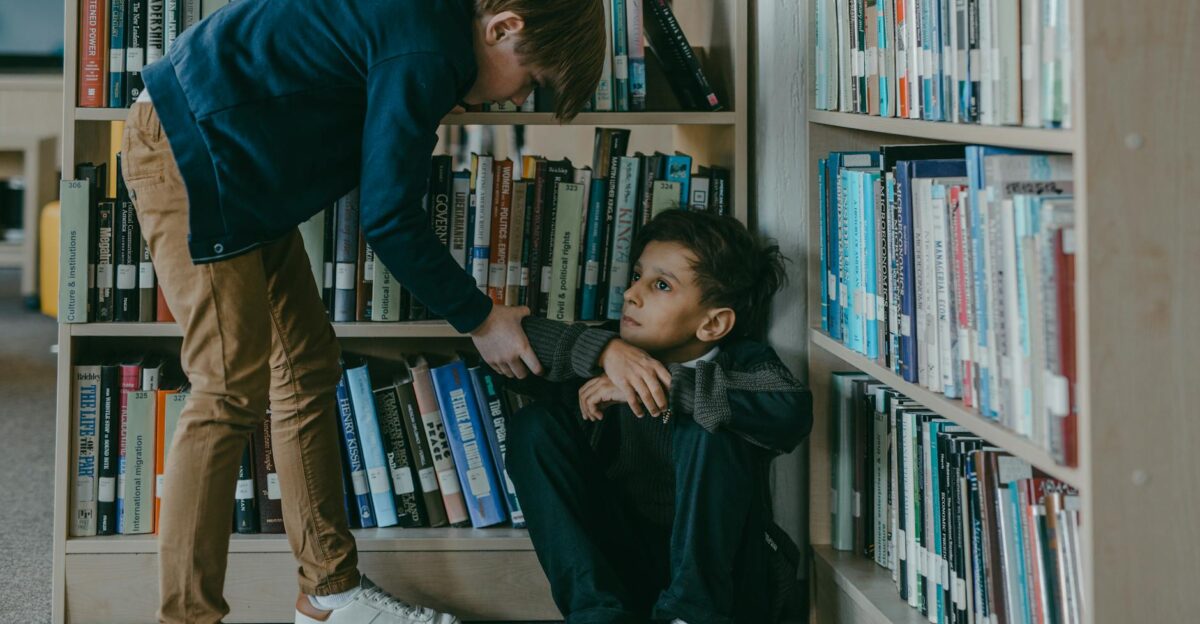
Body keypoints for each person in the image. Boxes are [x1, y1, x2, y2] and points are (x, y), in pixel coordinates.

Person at [118, 1, 605, 622]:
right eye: (530, 80)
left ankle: (329, 594)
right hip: (194, 151)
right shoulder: (430, 47)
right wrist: (482, 318)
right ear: (504, 27)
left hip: (237, 157)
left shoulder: (432, 33)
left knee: (306, 367)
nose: (516, 100)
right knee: (228, 386)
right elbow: (390, 218)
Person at [506, 210, 814, 624]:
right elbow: (503, 349)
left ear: (713, 324)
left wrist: (670, 388)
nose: (632, 294)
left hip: (726, 581)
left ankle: (690, 616)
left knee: (710, 419)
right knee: (533, 426)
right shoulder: (608, 352)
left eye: (661, 285)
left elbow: (792, 410)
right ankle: (598, 615)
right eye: (637, 276)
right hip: (626, 564)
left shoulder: (744, 363)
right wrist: (601, 352)